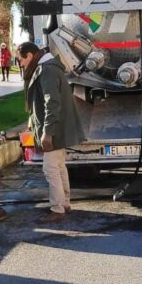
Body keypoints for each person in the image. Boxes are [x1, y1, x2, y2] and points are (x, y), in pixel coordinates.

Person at [16, 42, 85, 224]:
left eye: (21, 60)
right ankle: (65, 203)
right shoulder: (50, 67)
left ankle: (57, 208)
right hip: (58, 127)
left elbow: (51, 103)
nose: (21, 64)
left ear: (29, 56)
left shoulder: (46, 70)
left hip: (54, 129)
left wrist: (48, 132)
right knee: (59, 167)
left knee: (50, 169)